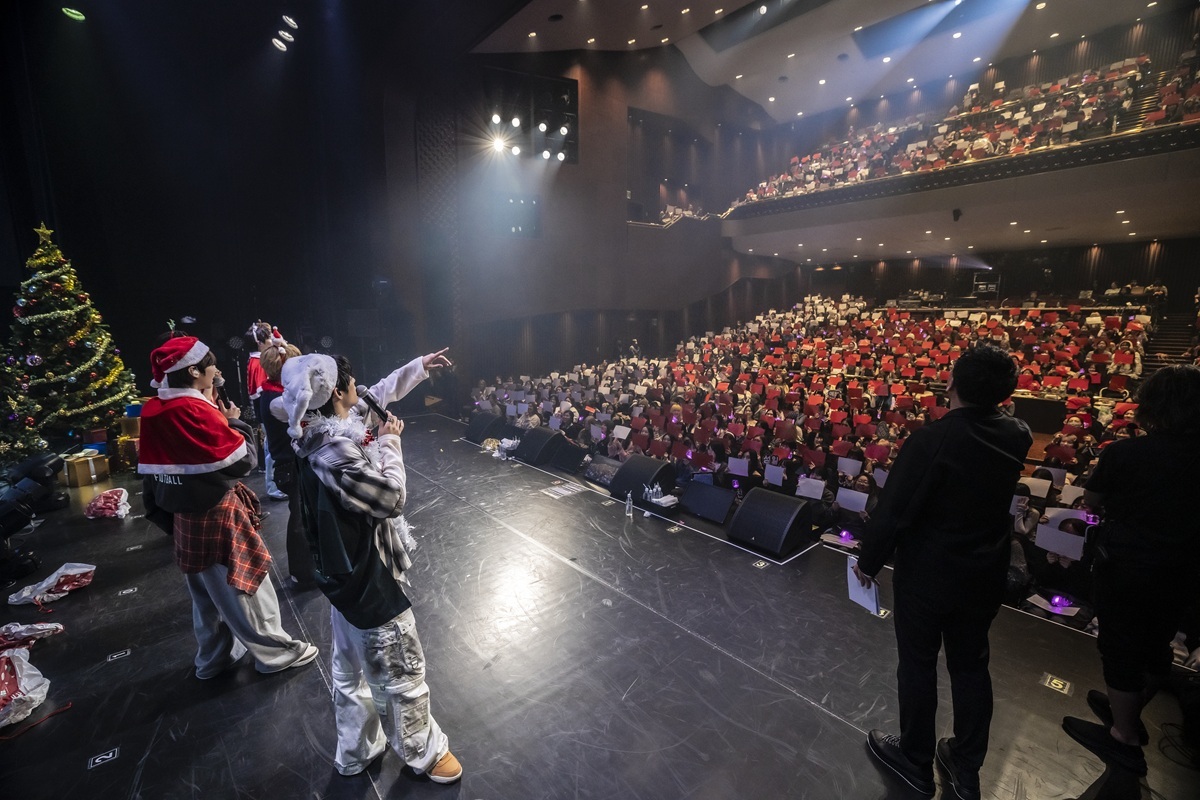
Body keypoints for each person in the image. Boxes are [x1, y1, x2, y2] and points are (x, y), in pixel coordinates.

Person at [854, 344, 1032, 800]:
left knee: (917, 663)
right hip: (983, 572)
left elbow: (895, 508)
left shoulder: (932, 439)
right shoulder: (1018, 434)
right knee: (971, 667)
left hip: (929, 572)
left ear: (950, 382)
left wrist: (869, 560)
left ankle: (915, 759)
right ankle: (965, 765)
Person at [279, 347, 462, 783]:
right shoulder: (335, 451)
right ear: (336, 391)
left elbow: (374, 393)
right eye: (350, 382)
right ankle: (423, 753)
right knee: (398, 662)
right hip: (367, 575)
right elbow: (390, 498)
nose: (358, 388)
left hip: (340, 571)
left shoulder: (313, 426)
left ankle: (357, 748)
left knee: (348, 667)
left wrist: (417, 367)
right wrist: (389, 442)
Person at [138, 334, 318, 679]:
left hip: (184, 515)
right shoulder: (191, 410)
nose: (216, 370)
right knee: (245, 586)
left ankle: (215, 657)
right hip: (214, 510)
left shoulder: (154, 408)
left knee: (207, 595)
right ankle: (275, 653)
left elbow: (153, 471)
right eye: (211, 365)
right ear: (193, 371)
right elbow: (240, 460)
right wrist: (232, 420)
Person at [1062, 364, 1200, 778]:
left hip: (1129, 564)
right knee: (1158, 639)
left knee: (1120, 646)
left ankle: (1123, 735)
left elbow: (1091, 500)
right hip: (1185, 569)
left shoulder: (1127, 453)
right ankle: (1130, 707)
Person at [258, 336, 313, 588]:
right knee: (300, 519)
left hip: (290, 464)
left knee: (303, 517)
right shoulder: (278, 401)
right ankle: (303, 574)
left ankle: (307, 570)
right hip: (290, 466)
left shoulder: (275, 393)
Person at [246, 321, 287, 500]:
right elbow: (259, 393)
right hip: (270, 412)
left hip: (271, 410)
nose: (271, 340)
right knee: (272, 451)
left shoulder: (258, 359)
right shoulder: (258, 362)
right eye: (268, 337)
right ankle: (274, 487)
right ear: (259, 342)